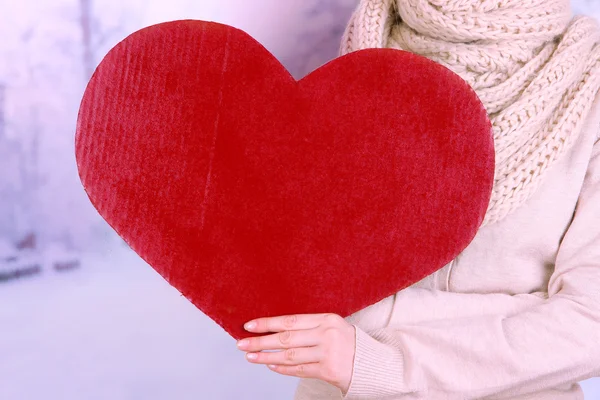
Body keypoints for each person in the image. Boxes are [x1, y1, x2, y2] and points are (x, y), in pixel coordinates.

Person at [234, 0, 600, 398]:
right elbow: (298, 283)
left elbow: (589, 325)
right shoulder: (356, 55)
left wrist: (372, 350)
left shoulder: (590, 80)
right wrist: (516, 313)